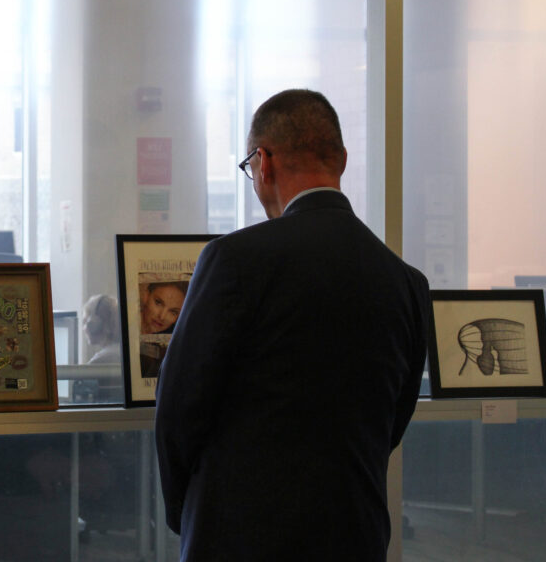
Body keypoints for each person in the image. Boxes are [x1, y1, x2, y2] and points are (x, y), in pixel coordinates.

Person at [155, 89, 431, 561]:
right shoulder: (406, 282)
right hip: (355, 534)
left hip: (239, 535)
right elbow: (393, 421)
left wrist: (186, 511)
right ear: (341, 160)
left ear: (263, 162)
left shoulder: (234, 260)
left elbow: (180, 406)